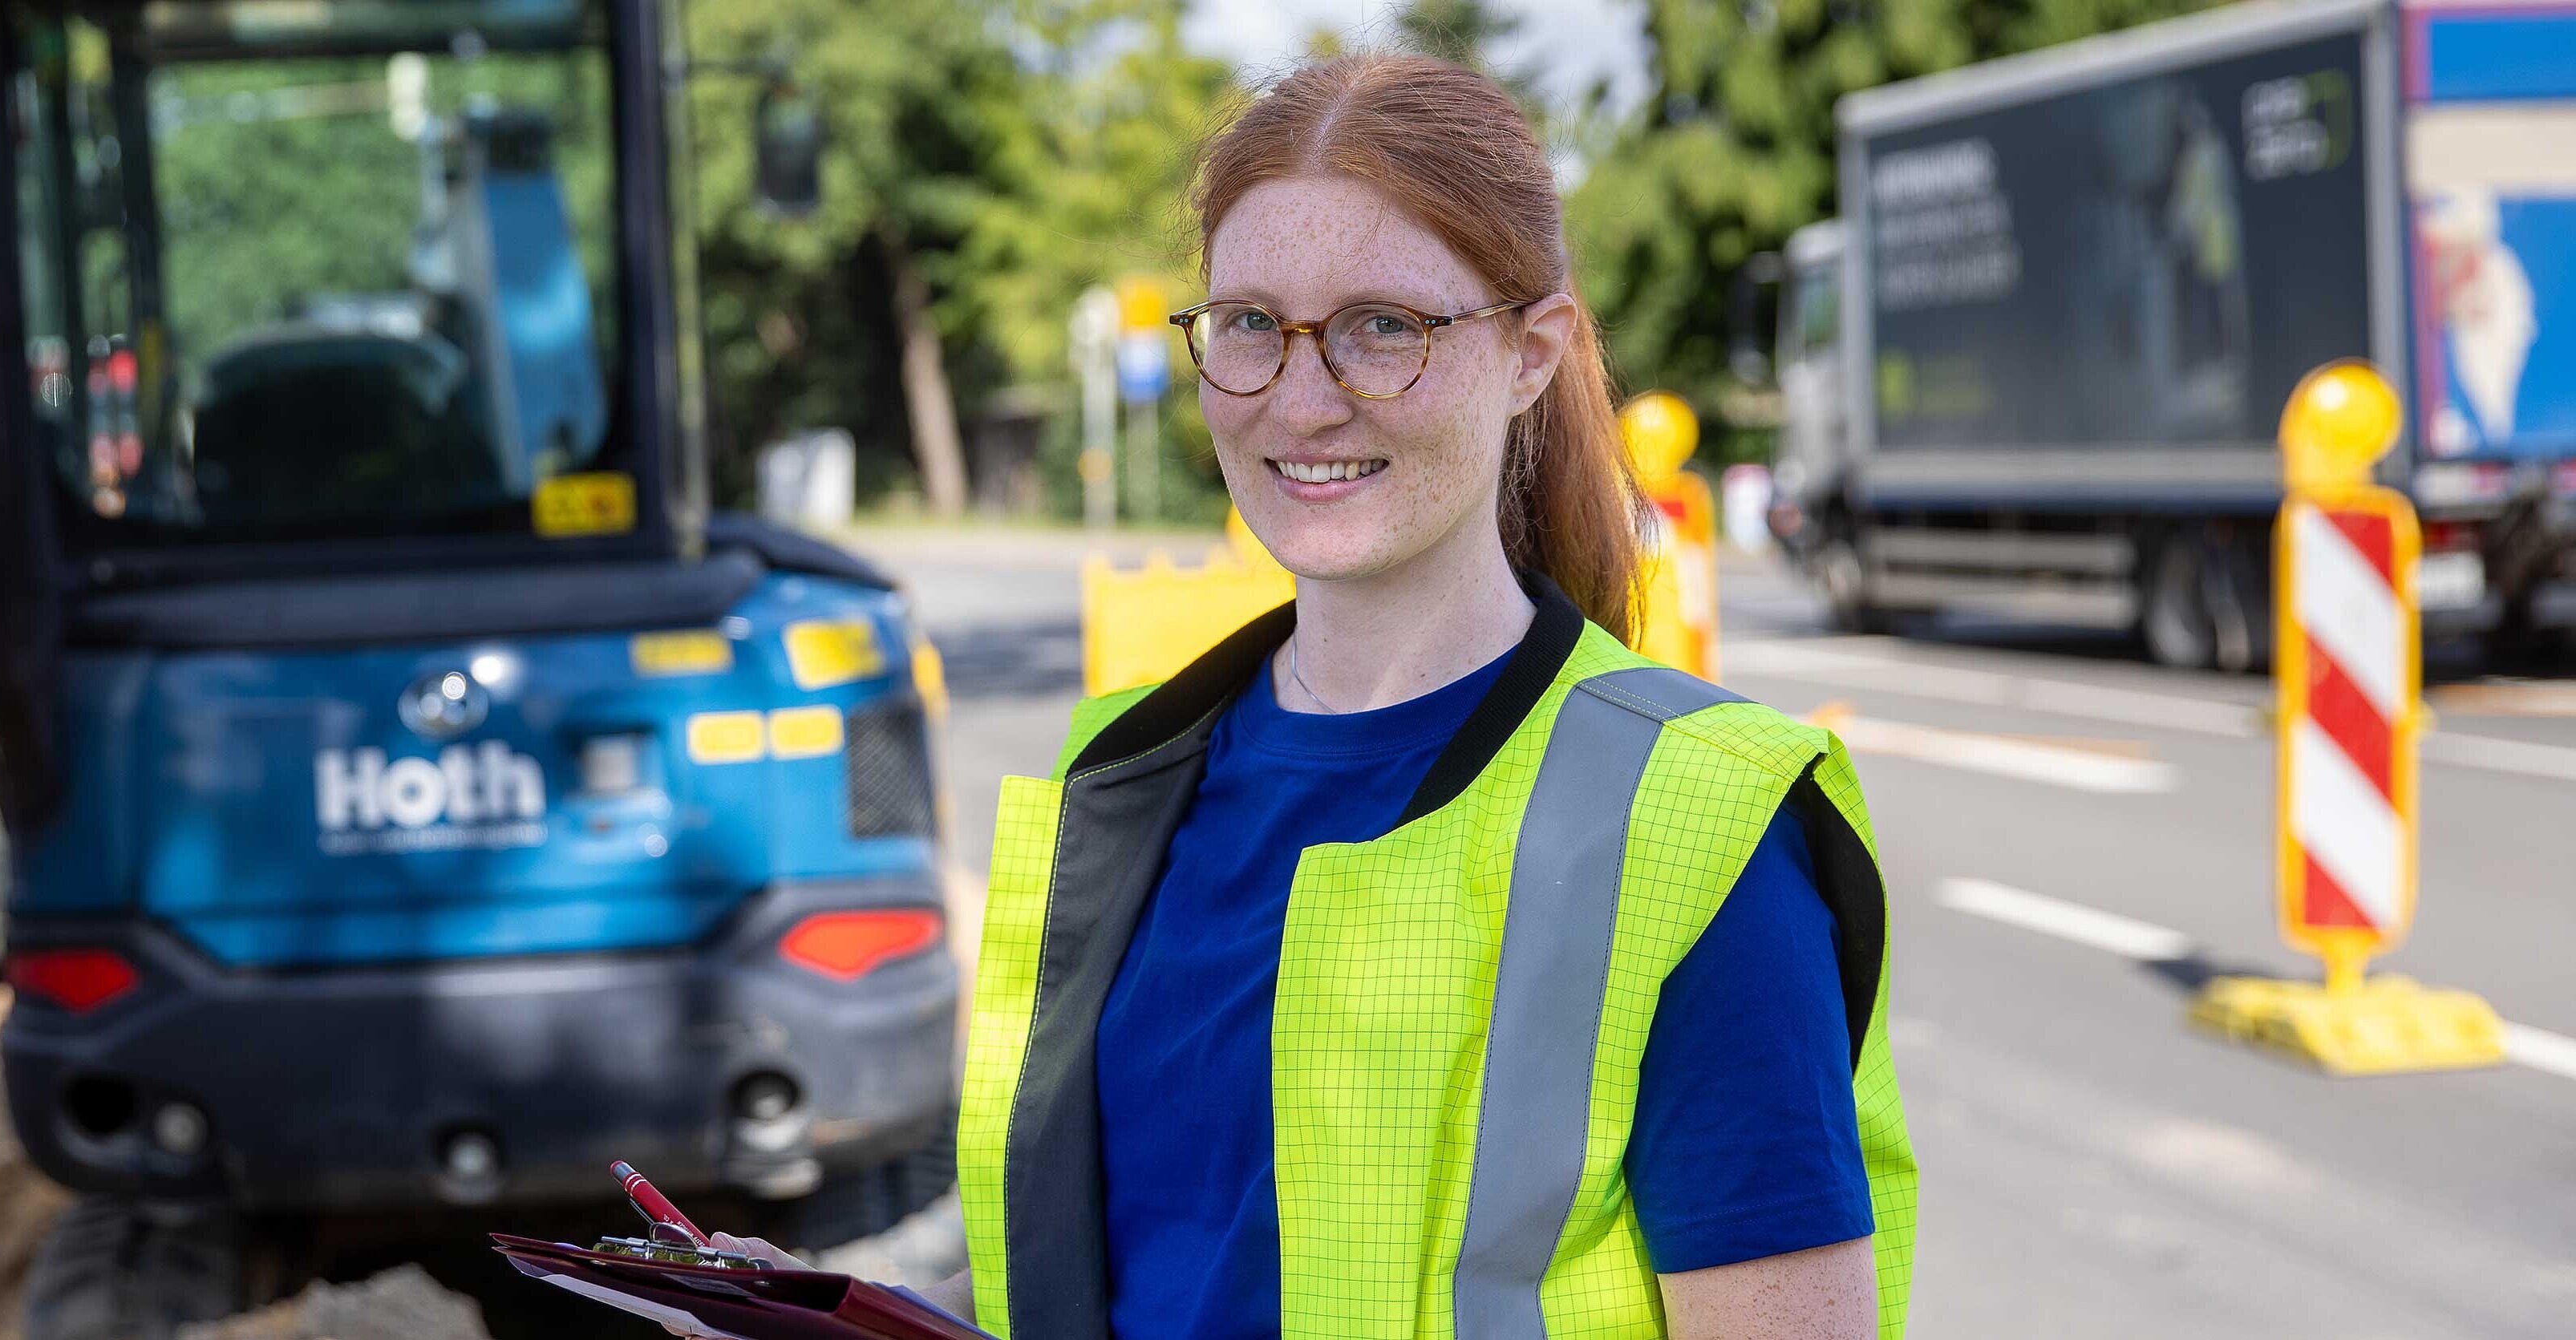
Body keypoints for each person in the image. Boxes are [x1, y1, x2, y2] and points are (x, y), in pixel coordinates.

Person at [689, 54, 1915, 1340]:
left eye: (1385, 325)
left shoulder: (1691, 825)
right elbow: (1119, 1261)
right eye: (1251, 325)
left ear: (1531, 353)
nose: (1302, 394)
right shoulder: (1119, 773)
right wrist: (840, 1312)